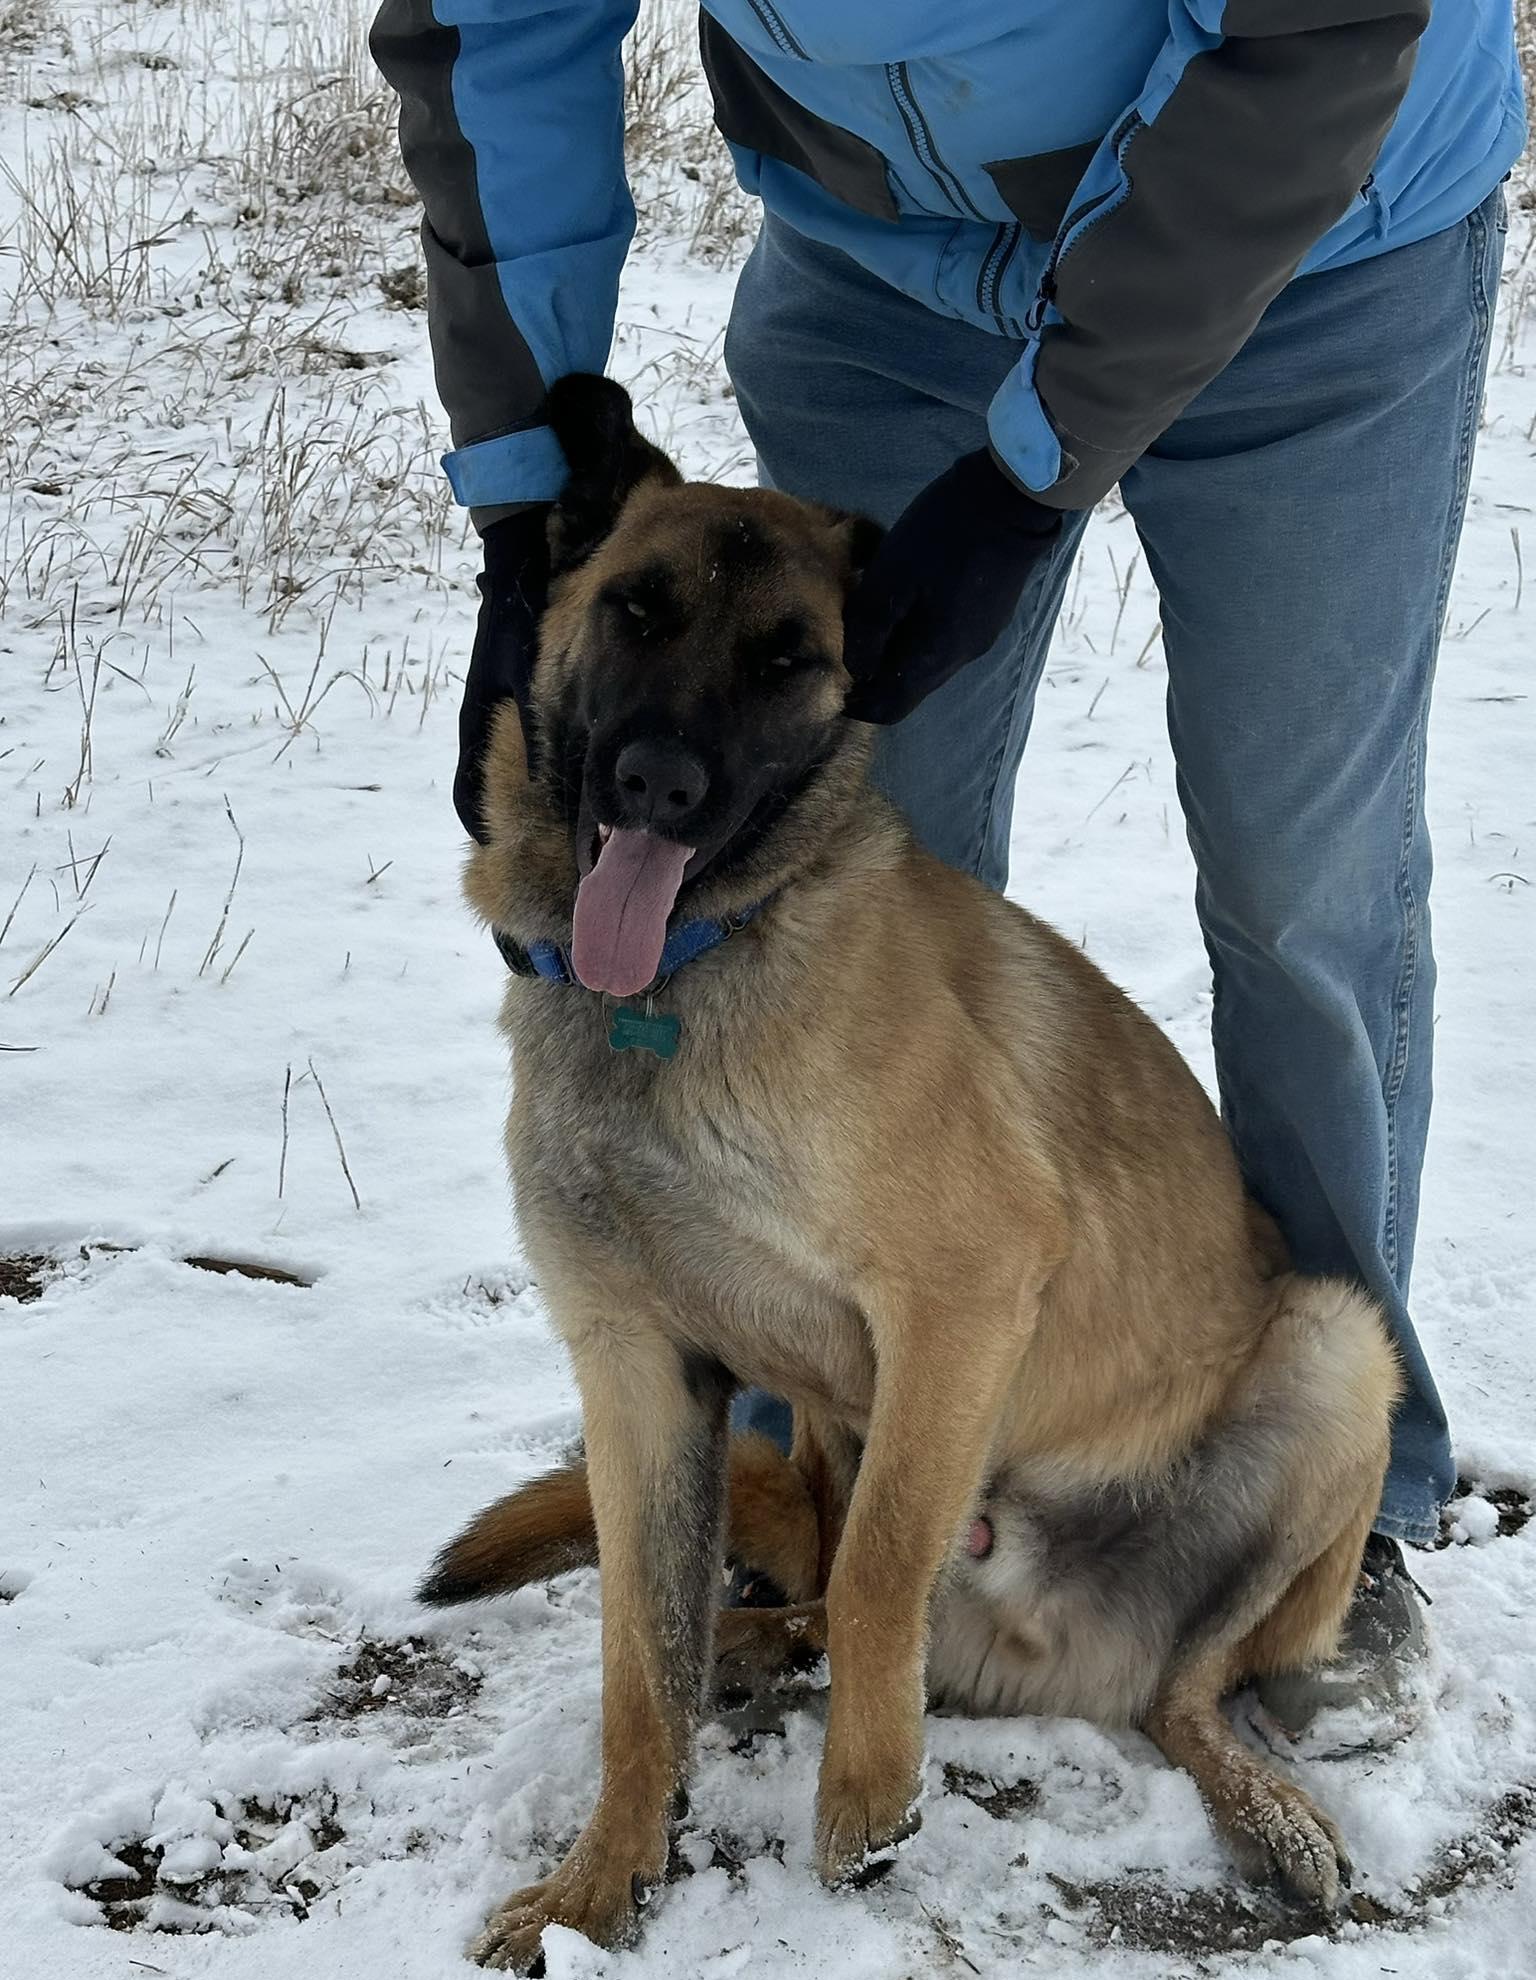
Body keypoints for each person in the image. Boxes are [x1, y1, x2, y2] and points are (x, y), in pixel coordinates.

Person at [370, 1, 1524, 1734]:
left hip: (1315, 241)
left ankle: (1327, 1518)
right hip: (888, 273)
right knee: (826, 891)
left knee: (1307, 896)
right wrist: (529, 516)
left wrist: (1045, 459)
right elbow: (498, 26)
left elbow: (1314, 34)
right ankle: (803, 1454)